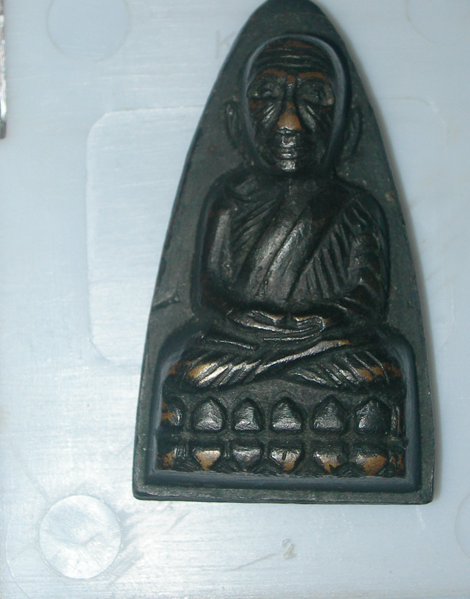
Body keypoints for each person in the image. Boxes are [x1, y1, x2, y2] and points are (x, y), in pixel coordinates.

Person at [164, 36, 405, 393]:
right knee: (188, 370)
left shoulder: (355, 207)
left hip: (324, 346)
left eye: (315, 97)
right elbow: (208, 289)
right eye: (266, 95)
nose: (290, 122)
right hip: (243, 341)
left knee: (380, 370)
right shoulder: (229, 199)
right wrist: (243, 317)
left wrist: (317, 322)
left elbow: (366, 300)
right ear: (236, 121)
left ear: (349, 127)